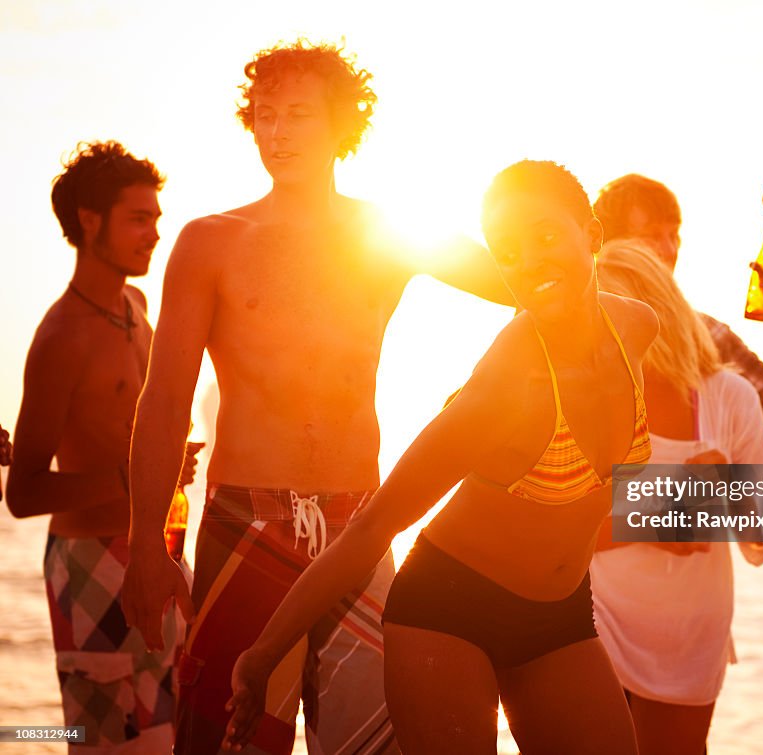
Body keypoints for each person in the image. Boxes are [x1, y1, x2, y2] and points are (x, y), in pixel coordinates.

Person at [120, 40, 511, 755]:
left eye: (298, 114)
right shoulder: (210, 241)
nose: (276, 132)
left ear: (341, 126)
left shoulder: (388, 233)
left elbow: (519, 285)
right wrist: (146, 540)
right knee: (227, 742)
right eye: (264, 115)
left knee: (373, 744)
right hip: (246, 521)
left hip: (360, 523)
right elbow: (165, 399)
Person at [221, 159, 657, 754]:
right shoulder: (508, 386)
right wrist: (261, 655)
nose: (529, 262)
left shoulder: (636, 327)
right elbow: (376, 524)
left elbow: (611, 498)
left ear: (594, 234)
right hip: (448, 611)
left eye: (547, 236)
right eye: (507, 252)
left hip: (560, 617)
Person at [4, 141, 197, 752]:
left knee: (171, 734)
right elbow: (23, 492)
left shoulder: (137, 307)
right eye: (140, 219)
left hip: (157, 547)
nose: (154, 234)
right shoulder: (61, 336)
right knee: (95, 739)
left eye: (157, 219)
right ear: (90, 222)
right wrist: (127, 476)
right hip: (88, 561)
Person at [592, 240, 763, 754]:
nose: (606, 333)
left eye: (619, 313)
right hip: (592, 620)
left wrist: (725, 494)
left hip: (687, 634)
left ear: (660, 313)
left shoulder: (728, 398)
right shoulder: (584, 396)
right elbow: (550, 539)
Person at [594, 173, 763, 436]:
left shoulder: (705, 336)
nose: (670, 250)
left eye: (674, 235)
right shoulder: (578, 333)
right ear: (606, 246)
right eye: (652, 237)